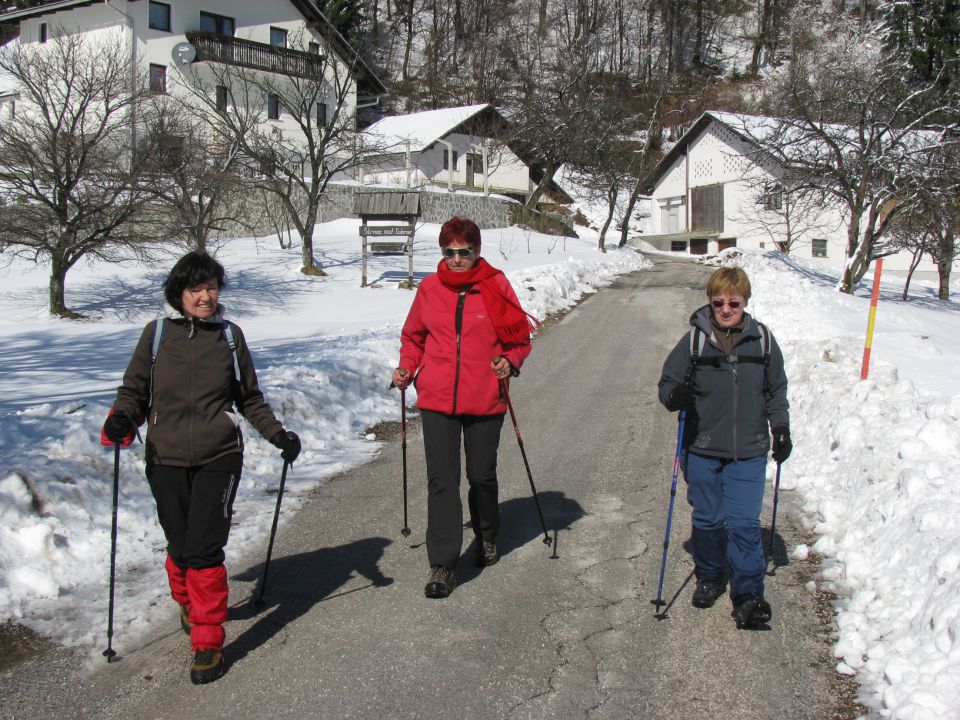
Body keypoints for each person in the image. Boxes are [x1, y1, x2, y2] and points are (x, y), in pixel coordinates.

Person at [101, 251, 301, 684]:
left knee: (205, 549)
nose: (205, 296)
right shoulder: (156, 336)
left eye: (211, 287)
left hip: (219, 457)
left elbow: (249, 398)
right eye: (196, 288)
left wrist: (277, 433)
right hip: (165, 456)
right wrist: (122, 417)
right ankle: (190, 602)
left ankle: (208, 643)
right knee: (180, 543)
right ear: (179, 293)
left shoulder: (229, 337)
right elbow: (134, 391)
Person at [392, 217, 534, 599]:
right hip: (438, 399)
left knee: (481, 474)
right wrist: (407, 365)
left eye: (464, 252)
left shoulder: (495, 286)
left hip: (485, 398)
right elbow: (414, 337)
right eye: (449, 252)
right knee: (442, 479)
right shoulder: (429, 288)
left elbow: (520, 338)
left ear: (477, 251)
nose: (456, 259)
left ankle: (487, 534)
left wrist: (510, 359)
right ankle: (442, 563)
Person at [657, 266, 790, 629]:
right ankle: (711, 574)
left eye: (734, 302)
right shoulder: (695, 341)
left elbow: (776, 389)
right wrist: (675, 395)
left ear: (745, 302)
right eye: (719, 303)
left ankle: (748, 593)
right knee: (709, 519)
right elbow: (667, 384)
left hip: (749, 449)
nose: (726, 309)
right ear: (710, 303)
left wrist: (780, 428)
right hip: (702, 447)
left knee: (745, 523)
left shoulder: (761, 340)